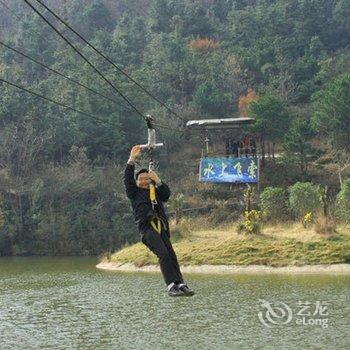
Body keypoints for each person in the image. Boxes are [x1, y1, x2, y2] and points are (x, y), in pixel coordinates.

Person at [123, 145, 195, 297]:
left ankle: (180, 284)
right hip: (147, 228)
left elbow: (166, 195)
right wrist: (132, 159)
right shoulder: (134, 193)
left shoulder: (155, 190)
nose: (143, 181)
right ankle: (170, 286)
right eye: (141, 179)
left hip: (161, 227)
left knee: (171, 254)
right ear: (137, 182)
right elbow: (127, 179)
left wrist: (157, 180)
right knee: (162, 253)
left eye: (146, 179)